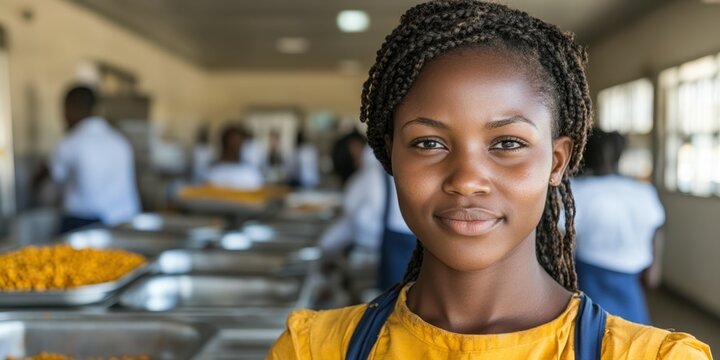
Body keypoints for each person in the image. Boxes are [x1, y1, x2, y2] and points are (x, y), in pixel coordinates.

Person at [268, 1, 712, 359]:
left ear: (557, 161)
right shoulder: (314, 348)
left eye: (507, 143)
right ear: (390, 158)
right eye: (428, 143)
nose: (467, 180)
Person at [572, 130, 665, 325]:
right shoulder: (643, 191)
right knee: (633, 335)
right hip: (631, 278)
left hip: (590, 276)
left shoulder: (578, 190)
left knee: (595, 334)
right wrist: (654, 268)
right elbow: (657, 230)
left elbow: (565, 238)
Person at [50, 86, 140, 233]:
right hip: (125, 221)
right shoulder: (120, 140)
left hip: (84, 224)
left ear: (71, 108)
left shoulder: (70, 142)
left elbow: (56, 182)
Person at [206, 126, 263, 190]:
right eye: (232, 141)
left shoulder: (250, 173)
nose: (234, 146)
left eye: (239, 141)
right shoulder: (213, 172)